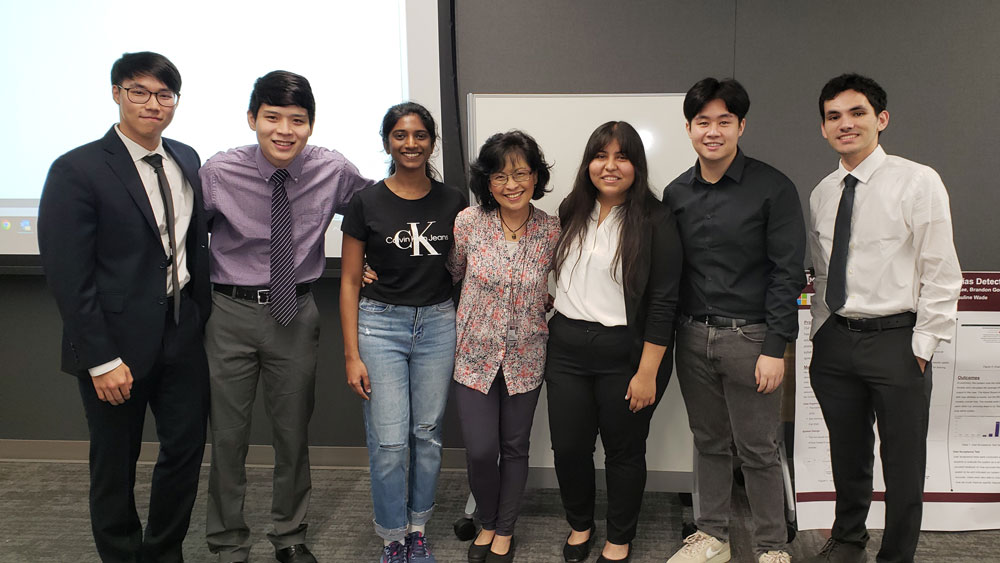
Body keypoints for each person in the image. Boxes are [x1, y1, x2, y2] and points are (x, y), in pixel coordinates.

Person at [38, 51, 210, 563]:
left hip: (181, 332)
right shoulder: (77, 169)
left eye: (164, 94)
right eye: (139, 91)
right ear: (116, 93)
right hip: (114, 345)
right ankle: (120, 554)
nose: (152, 103)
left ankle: (163, 551)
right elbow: (70, 277)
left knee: (184, 452)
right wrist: (101, 359)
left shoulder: (186, 157)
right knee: (114, 462)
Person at [199, 70, 372, 563]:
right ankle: (228, 542)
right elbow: (186, 238)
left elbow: (378, 210)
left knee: (293, 433)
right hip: (228, 312)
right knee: (227, 437)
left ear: (311, 126)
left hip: (294, 311)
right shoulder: (218, 172)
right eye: (272, 117)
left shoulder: (332, 169)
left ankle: (289, 534)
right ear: (252, 119)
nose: (284, 130)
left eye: (297, 120)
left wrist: (377, 259)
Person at [805, 73, 962, 563]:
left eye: (857, 113)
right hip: (837, 342)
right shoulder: (823, 192)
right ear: (824, 128)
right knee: (847, 457)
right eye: (834, 116)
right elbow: (824, 269)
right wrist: (821, 333)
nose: (845, 124)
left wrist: (923, 346)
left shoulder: (918, 181)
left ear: (881, 119)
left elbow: (941, 269)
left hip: (897, 341)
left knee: (903, 463)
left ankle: (896, 555)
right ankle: (848, 539)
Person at [663, 78, 806, 563]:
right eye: (703, 121)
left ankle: (771, 546)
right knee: (708, 442)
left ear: (741, 125)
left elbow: (789, 274)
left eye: (725, 121)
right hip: (691, 334)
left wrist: (775, 348)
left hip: (752, 339)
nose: (713, 131)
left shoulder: (773, 187)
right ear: (688, 128)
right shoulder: (675, 192)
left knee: (760, 448)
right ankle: (712, 536)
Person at [546, 121, 682, 563]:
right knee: (569, 447)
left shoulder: (656, 219)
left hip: (627, 354)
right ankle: (580, 525)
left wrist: (647, 373)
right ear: (588, 163)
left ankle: (619, 538)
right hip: (566, 347)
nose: (609, 166)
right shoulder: (572, 209)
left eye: (621, 157)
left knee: (623, 452)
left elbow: (664, 304)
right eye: (600, 156)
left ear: (636, 166)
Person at [339, 102, 467, 563]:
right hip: (380, 326)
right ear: (387, 141)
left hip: (437, 324)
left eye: (419, 135)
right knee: (390, 441)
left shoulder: (454, 201)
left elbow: (471, 263)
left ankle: (417, 528)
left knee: (427, 435)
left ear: (432, 142)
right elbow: (351, 281)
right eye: (399, 135)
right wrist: (352, 354)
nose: (410, 144)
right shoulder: (366, 202)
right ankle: (392, 537)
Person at [448, 131, 561, 563]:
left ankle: (504, 531)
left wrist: (542, 300)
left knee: (515, 448)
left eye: (521, 173)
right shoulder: (468, 223)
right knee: (480, 449)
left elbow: (562, 285)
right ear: (487, 182)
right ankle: (488, 519)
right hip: (474, 357)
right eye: (500, 176)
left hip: (527, 357)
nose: (511, 184)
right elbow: (452, 274)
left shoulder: (551, 229)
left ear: (536, 177)